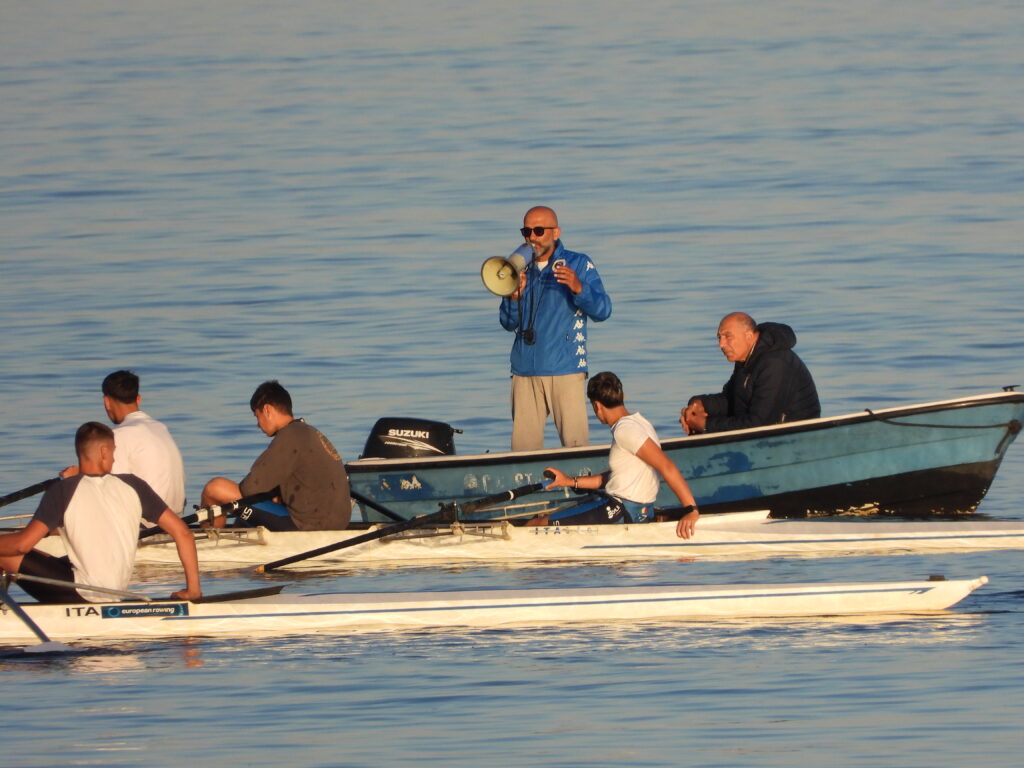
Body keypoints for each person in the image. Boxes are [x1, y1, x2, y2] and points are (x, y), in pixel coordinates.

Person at [0, 422, 201, 604]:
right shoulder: (134, 486)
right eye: (114, 452)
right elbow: (183, 533)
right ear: (104, 451)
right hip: (115, 591)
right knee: (38, 554)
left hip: (85, 592)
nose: (114, 459)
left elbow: (21, 545)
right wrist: (193, 591)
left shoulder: (63, 490)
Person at [499, 206, 612, 451]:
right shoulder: (518, 267)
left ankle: (582, 486)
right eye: (526, 231)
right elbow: (507, 323)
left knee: (575, 446)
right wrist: (513, 298)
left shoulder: (578, 263)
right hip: (524, 370)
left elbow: (603, 311)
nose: (532, 237)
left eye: (539, 231)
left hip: (565, 367)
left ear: (556, 232)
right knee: (523, 451)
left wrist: (578, 287)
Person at [543, 372, 700, 539]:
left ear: (597, 406)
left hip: (620, 511)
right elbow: (617, 478)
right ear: (622, 396)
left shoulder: (625, 430)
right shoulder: (640, 422)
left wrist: (691, 510)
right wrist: (569, 482)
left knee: (538, 524)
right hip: (638, 511)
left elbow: (667, 466)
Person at [200, 381, 351, 531]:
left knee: (215, 489)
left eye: (256, 416)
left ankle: (208, 544)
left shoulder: (289, 436)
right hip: (334, 523)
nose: (258, 424)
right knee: (246, 514)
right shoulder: (307, 432)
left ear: (267, 410)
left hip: (307, 526)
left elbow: (250, 488)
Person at [61, 370, 186, 515]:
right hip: (176, 516)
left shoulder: (117, 436)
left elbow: (110, 487)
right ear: (138, 399)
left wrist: (76, 477)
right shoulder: (160, 428)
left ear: (106, 402)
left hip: (146, 523)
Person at [680, 312, 820, 435]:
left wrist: (706, 425)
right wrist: (698, 406)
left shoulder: (774, 363)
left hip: (795, 436)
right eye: (719, 337)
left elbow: (760, 424)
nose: (721, 344)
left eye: (728, 336)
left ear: (748, 336)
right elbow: (733, 400)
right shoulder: (746, 358)